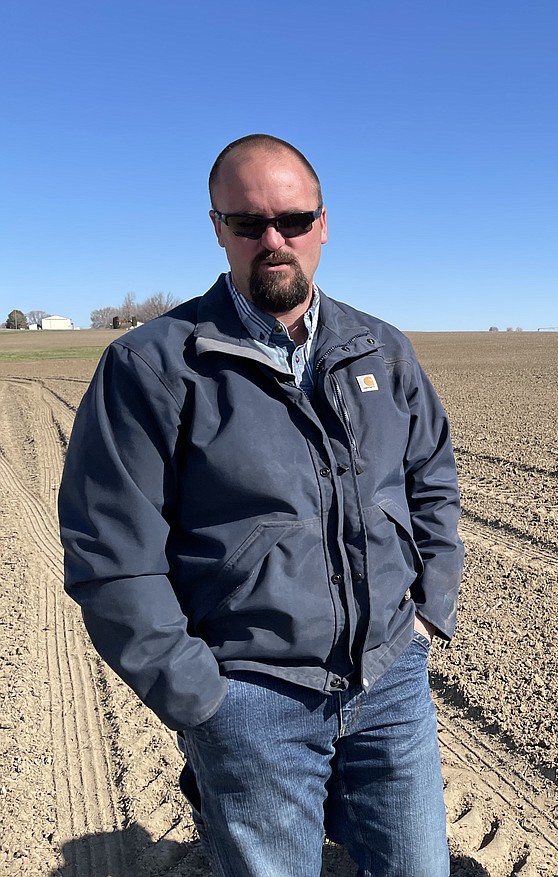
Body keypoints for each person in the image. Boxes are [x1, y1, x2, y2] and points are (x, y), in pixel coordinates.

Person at [59, 134, 463, 877]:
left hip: (390, 679)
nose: (274, 240)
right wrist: (202, 697)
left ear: (324, 223)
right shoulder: (154, 365)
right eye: (248, 224)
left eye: (293, 219)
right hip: (249, 697)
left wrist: (430, 605)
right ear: (217, 227)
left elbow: (430, 473)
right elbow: (111, 552)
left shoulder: (381, 350)